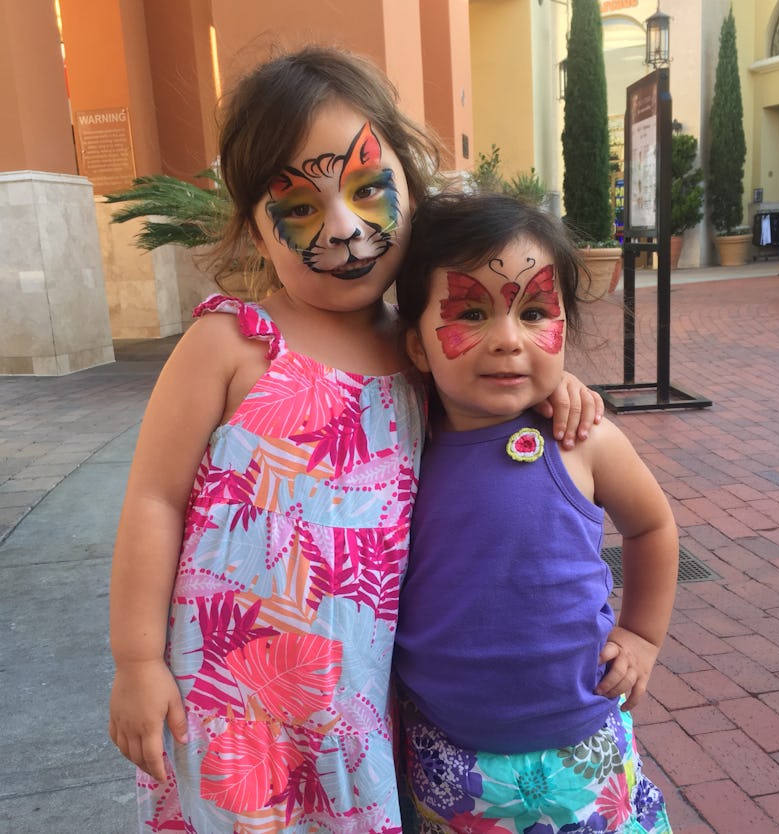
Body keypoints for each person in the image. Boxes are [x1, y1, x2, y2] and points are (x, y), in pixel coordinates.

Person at [107, 47, 603, 833]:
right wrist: (136, 662)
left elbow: (498, 396)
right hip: (227, 704)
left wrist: (557, 387)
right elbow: (154, 498)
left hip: (357, 711)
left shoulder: (426, 352)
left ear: (411, 181)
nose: (343, 229)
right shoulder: (233, 344)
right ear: (251, 225)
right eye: (297, 205)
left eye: (370, 189)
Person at [393, 191, 679, 834]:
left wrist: (642, 635)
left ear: (564, 330)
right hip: (447, 756)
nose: (507, 341)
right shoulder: (402, 442)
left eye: (534, 311)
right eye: (470, 311)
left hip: (581, 748)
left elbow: (652, 525)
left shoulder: (585, 442)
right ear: (416, 346)